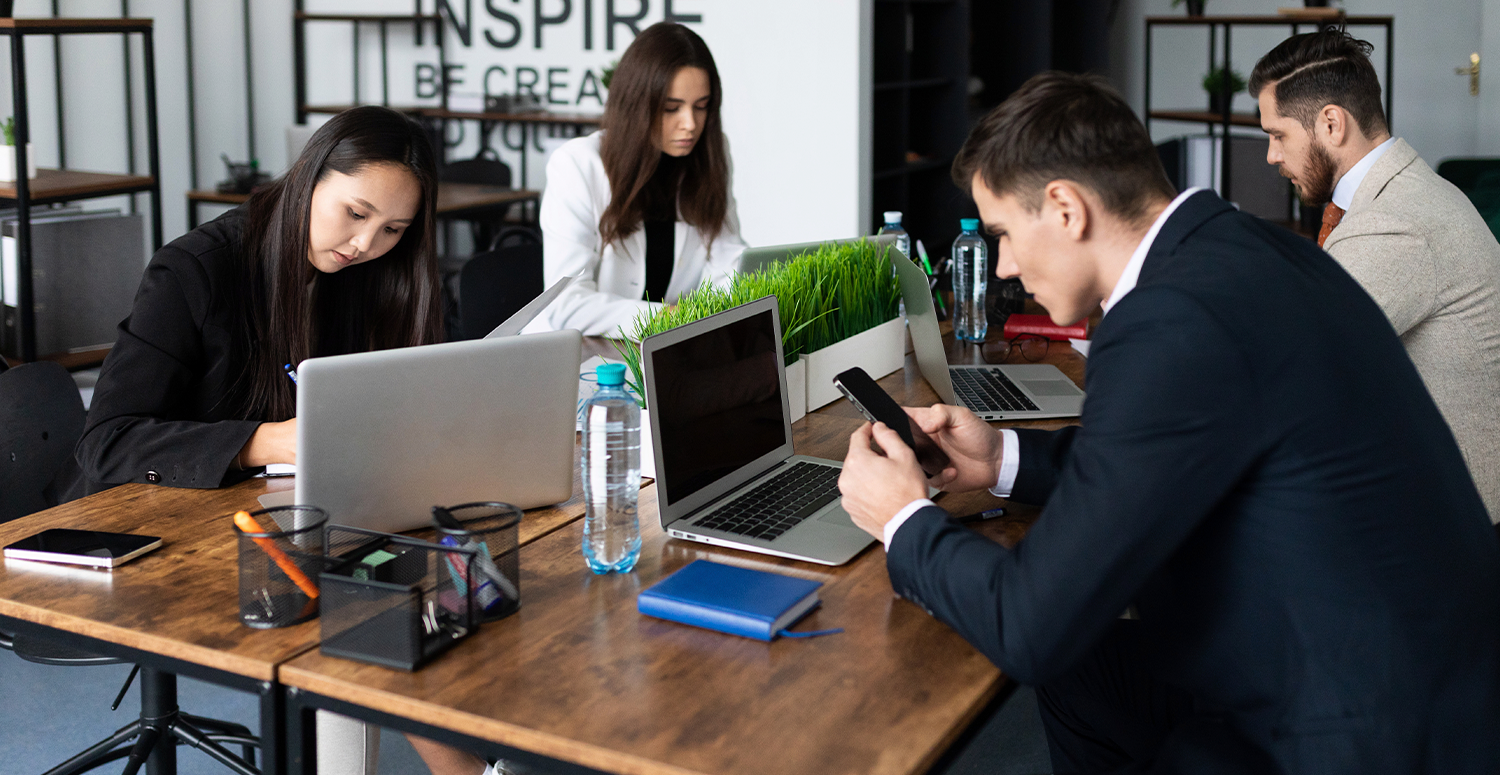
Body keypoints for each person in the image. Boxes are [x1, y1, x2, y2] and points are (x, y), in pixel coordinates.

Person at [837, 72, 1500, 773]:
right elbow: (1150, 456)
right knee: (1085, 673)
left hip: (1352, 732)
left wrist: (903, 517)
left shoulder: (1168, 319)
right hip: (1414, 673)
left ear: (1065, 208)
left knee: (1062, 650)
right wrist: (1001, 457)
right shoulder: (1241, 249)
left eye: (1002, 234)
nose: (1001, 265)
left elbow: (1030, 624)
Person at [72, 106, 482, 775]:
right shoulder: (196, 270)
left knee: (454, 559)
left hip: (307, 520)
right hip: (171, 536)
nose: (365, 244)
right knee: (365, 593)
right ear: (309, 175)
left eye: (392, 230)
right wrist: (267, 441)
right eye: (355, 213)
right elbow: (107, 442)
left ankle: (477, 759)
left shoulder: (369, 275)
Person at [1250, 29, 1500, 522]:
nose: (1271, 156)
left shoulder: (1395, 222)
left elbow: (1289, 358)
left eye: (1278, 135)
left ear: (1330, 123)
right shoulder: (1403, 193)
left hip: (1460, 526)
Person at [526, 21, 748, 337]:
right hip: (580, 357)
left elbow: (730, 266)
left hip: (668, 349)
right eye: (672, 108)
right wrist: (673, 318)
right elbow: (567, 305)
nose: (690, 124)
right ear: (636, 106)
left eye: (702, 107)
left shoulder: (711, 155)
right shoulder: (576, 164)